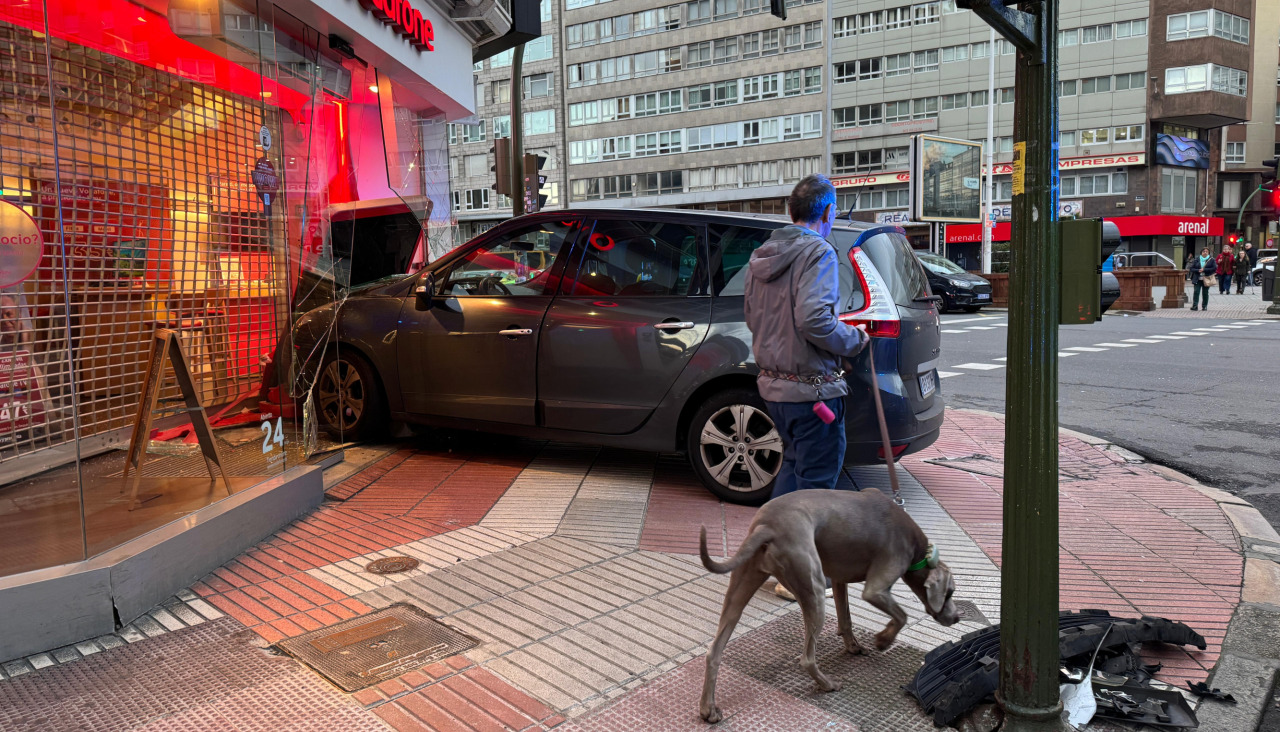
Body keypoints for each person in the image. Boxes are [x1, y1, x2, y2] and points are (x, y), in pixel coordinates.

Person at [744, 174, 870, 600]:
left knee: (794, 472)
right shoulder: (817, 252)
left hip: (774, 386)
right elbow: (815, 320)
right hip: (813, 390)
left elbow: (753, 317)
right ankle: (795, 575)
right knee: (816, 485)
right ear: (829, 212)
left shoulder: (763, 254)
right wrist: (853, 340)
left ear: (791, 212)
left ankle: (769, 558)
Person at [1188, 246, 1216, 311]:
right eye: (1204, 251)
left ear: (1208, 253)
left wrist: (1204, 269)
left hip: (1206, 278)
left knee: (1205, 293)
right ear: (1201, 252)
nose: (1205, 253)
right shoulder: (1197, 259)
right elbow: (1191, 268)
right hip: (1197, 278)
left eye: (1206, 252)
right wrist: (1198, 270)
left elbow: (1214, 268)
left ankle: (1204, 306)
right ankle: (1195, 306)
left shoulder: (1211, 260)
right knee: (1196, 292)